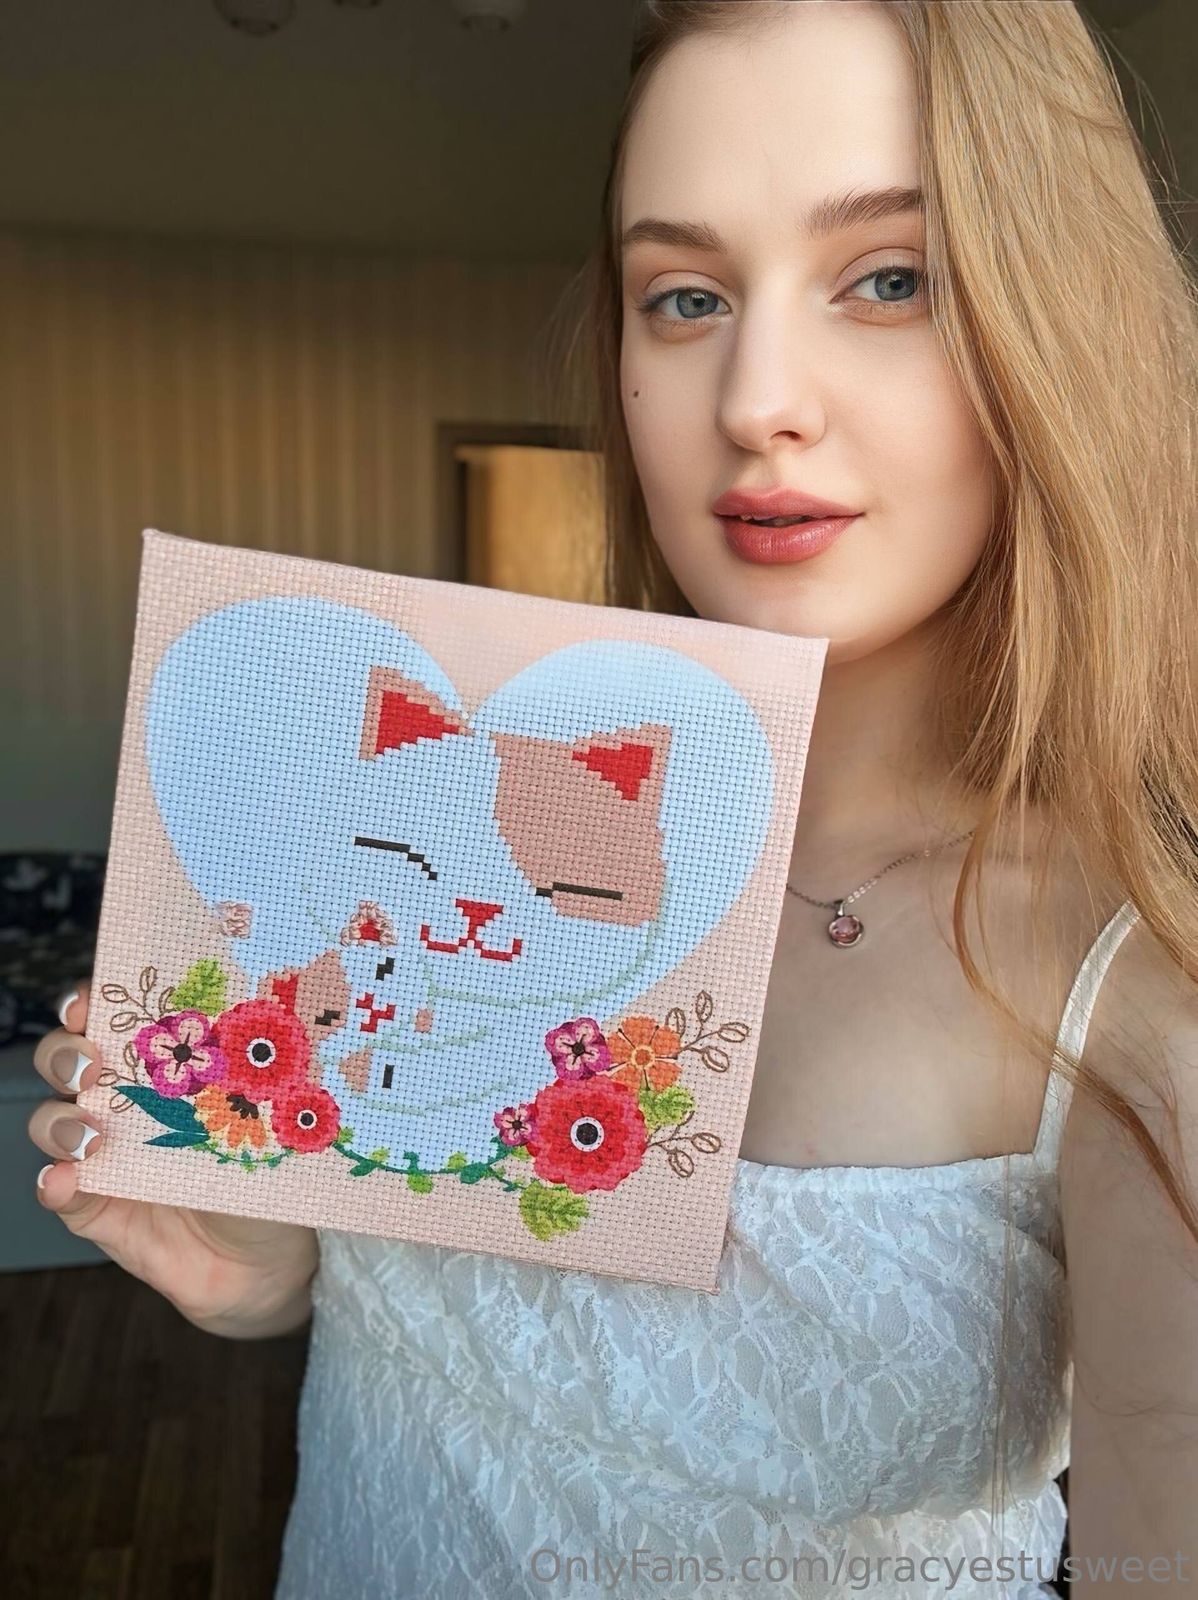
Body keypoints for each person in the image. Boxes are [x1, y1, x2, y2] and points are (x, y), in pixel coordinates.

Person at [28, 2, 1198, 1596]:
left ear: (1061, 321)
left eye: (889, 278)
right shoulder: (429, 812)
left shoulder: (1136, 989)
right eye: (685, 296)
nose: (755, 397)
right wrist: (262, 1271)